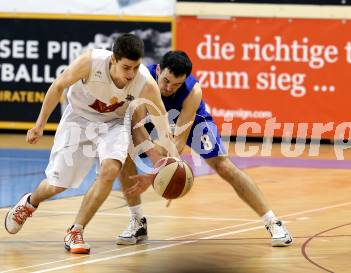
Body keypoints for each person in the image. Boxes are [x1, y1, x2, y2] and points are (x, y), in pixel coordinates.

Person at [4, 33, 175, 254]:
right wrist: (39, 125)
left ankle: (76, 230)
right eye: (126, 68)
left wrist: (172, 166)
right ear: (113, 59)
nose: (131, 74)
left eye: (136, 67)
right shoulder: (90, 62)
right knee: (58, 184)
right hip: (79, 119)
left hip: (114, 124)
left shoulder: (145, 83)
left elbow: (164, 128)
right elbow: (58, 86)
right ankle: (29, 202)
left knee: (110, 169)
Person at [117, 51, 293, 247]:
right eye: (166, 81)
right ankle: (137, 221)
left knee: (223, 165)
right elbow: (138, 132)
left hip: (189, 119)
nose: (169, 88)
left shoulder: (193, 92)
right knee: (125, 153)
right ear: (158, 70)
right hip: (152, 115)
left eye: (176, 85)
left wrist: (165, 173)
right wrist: (156, 168)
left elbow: (177, 143)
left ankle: (273, 222)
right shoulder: (142, 81)